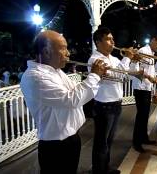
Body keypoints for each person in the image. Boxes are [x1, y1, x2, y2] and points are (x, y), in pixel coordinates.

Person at [20, 30, 107, 174]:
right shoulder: (35, 77)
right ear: (47, 52)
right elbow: (72, 99)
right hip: (55, 146)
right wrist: (94, 76)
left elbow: (78, 94)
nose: (68, 53)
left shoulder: (55, 71)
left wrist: (97, 78)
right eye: (63, 48)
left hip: (71, 139)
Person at [87, 26, 135, 174]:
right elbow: (119, 76)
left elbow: (125, 76)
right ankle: (98, 170)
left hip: (115, 103)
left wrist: (132, 61)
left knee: (109, 140)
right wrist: (127, 57)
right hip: (104, 105)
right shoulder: (95, 60)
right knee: (101, 142)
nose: (113, 42)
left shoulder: (113, 58)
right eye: (108, 39)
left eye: (112, 38)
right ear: (98, 42)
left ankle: (105, 168)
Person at [130, 34, 157, 153]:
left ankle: (144, 138)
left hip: (146, 87)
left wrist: (155, 78)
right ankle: (136, 142)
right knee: (141, 115)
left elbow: (149, 70)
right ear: (153, 40)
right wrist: (150, 77)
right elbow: (136, 70)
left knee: (145, 115)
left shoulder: (152, 53)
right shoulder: (143, 51)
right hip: (140, 87)